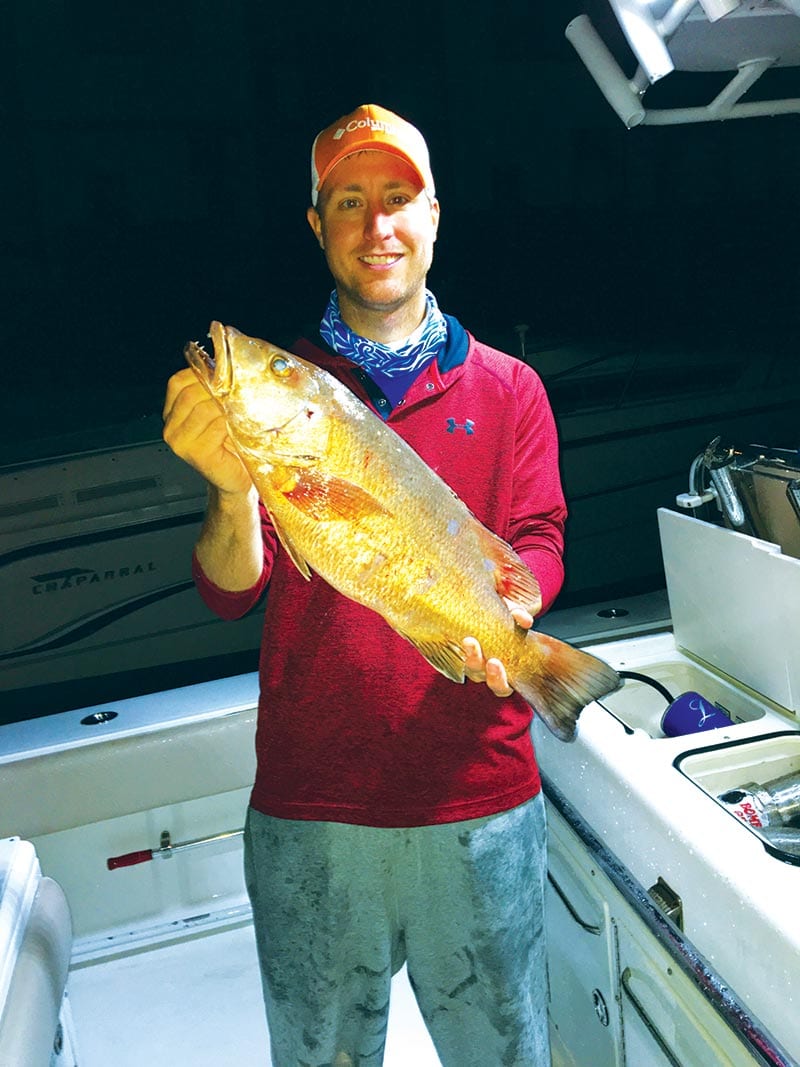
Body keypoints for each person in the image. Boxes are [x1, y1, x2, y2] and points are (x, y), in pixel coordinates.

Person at [163, 103, 566, 1067]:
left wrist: (514, 614)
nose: (376, 225)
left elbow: (539, 539)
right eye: (349, 201)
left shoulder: (511, 389)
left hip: (479, 799)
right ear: (317, 223)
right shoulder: (292, 400)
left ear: (434, 214)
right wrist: (229, 490)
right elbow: (232, 588)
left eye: (397, 199)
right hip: (313, 810)